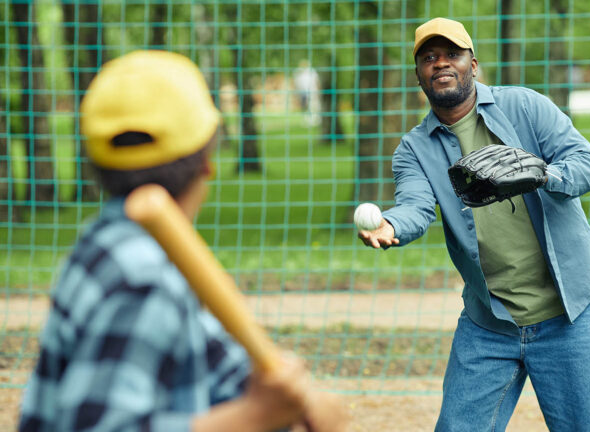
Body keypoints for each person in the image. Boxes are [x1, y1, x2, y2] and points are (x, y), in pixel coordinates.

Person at [18, 50, 345, 432]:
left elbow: (222, 366)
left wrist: (293, 398)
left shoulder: (107, 244)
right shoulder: (142, 278)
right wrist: (253, 417)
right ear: (207, 160)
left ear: (96, 165)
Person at [358, 18, 590, 431]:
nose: (440, 63)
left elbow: (589, 166)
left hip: (569, 315)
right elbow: (415, 205)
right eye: (429, 58)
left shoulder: (525, 107)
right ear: (419, 76)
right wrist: (391, 225)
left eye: (451, 54)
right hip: (490, 326)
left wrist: (542, 175)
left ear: (473, 64)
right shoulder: (414, 149)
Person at [293, 59, 321, 126]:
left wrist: (318, 90)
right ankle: (307, 119)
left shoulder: (311, 71)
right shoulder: (298, 72)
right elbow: (297, 82)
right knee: (305, 106)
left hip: (312, 90)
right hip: (303, 92)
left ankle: (315, 119)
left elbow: (316, 81)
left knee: (313, 105)